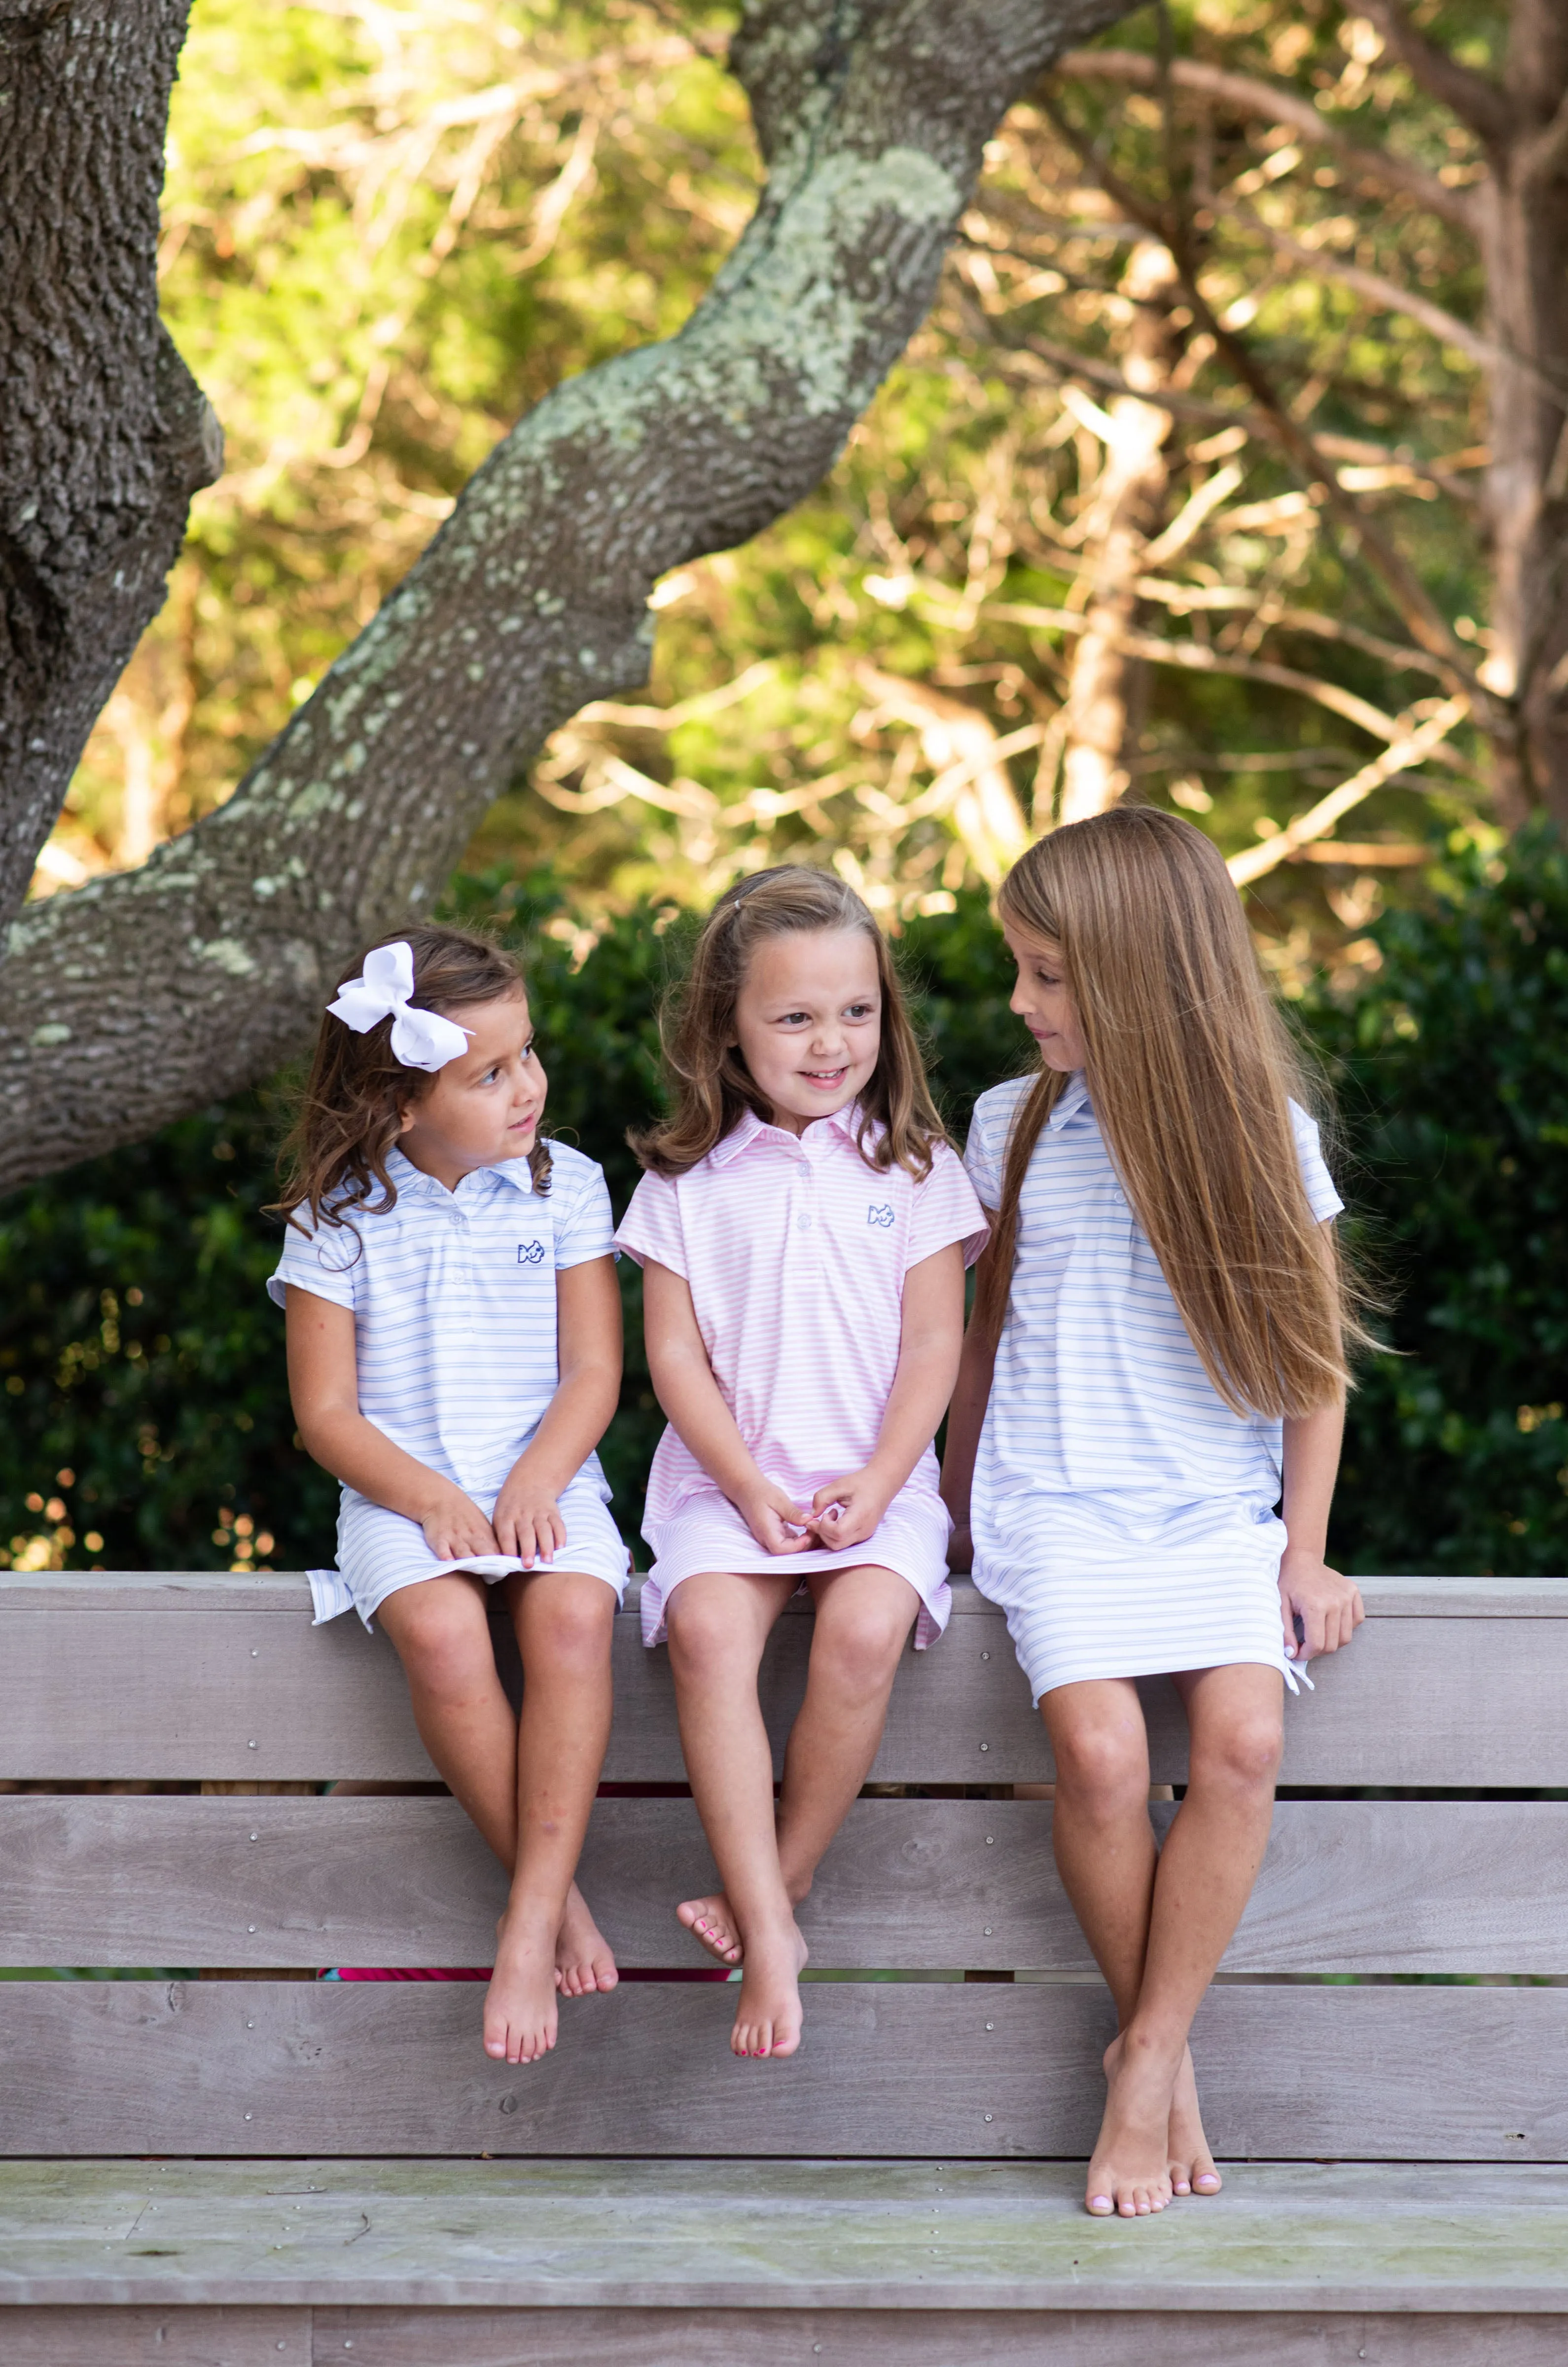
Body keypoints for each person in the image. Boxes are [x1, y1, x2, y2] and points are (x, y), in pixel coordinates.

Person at [941, 808, 1366, 2221]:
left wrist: (1301, 1549)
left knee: (1242, 1740)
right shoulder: (1012, 1125)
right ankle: (1160, 2063)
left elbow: (1312, 1367)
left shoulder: (1262, 1132)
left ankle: (1145, 2051)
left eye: (1047, 975)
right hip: (1055, 1497)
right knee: (1104, 1752)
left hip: (1207, 1509)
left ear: (1135, 969)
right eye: (1021, 970)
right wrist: (947, 1511)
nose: (1019, 1003)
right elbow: (978, 1340)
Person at [614, 867, 988, 2061]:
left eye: (858, 1013)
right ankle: (772, 1933)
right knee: (716, 1634)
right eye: (795, 1018)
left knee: (867, 1627)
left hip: (879, 1482)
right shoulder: (682, 1182)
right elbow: (671, 1360)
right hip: (731, 1483)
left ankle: (779, 1891)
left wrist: (882, 1483)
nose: (833, 1044)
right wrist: (743, 1487)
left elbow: (939, 1343)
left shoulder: (920, 1170)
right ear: (728, 1024)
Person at [268, 925, 628, 2070]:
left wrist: (534, 1481)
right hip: (401, 1489)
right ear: (398, 1106)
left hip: (548, 1473)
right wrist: (429, 1499)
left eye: (528, 1056)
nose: (528, 1088)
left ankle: (526, 1919)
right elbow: (327, 1417)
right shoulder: (339, 1215)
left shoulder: (564, 1184)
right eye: (490, 1074)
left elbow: (595, 1373)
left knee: (572, 1614)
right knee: (439, 1627)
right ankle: (558, 1902)